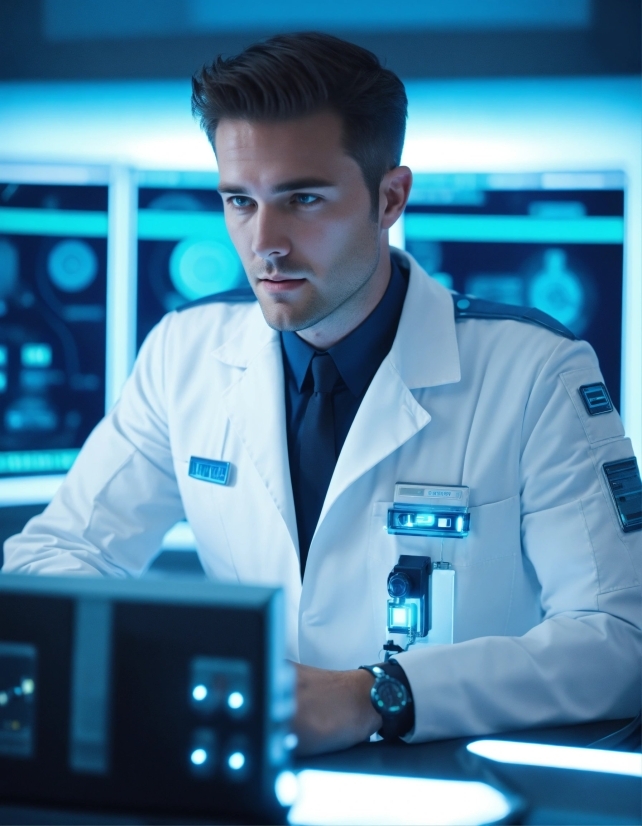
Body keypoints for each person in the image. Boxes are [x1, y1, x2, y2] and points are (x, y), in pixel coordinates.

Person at [3, 33, 640, 756]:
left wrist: (384, 694)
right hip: (254, 773)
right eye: (239, 201)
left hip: (452, 783)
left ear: (390, 198)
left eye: (302, 199)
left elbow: (619, 644)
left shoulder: (536, 370)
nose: (263, 243)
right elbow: (51, 557)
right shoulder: (186, 353)